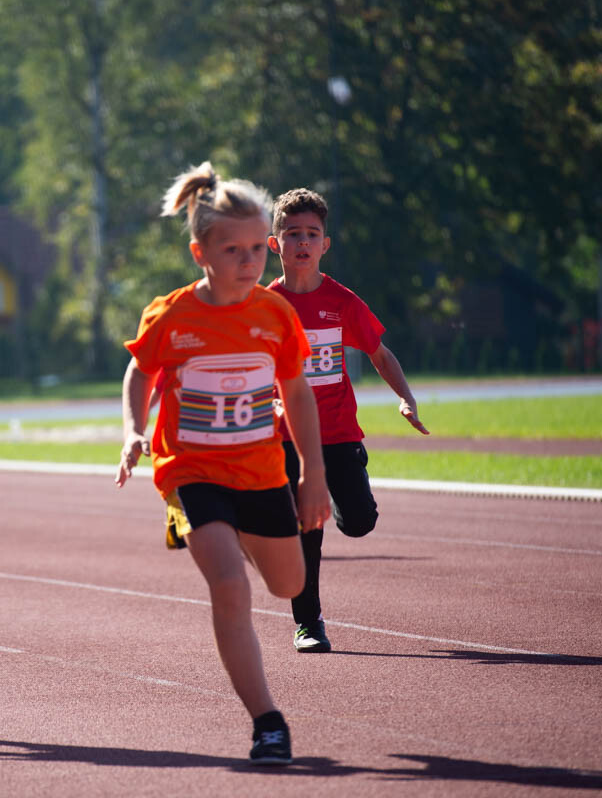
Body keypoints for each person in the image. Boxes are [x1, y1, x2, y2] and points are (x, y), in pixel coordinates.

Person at [116, 162, 330, 765]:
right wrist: (135, 429)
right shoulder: (174, 316)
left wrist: (312, 474)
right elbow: (141, 370)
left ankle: (224, 529)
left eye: (255, 248)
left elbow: (298, 395)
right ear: (200, 252)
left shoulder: (275, 315)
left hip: (262, 471)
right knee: (230, 586)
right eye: (229, 249)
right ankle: (268, 722)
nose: (247, 261)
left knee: (289, 584)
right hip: (191, 469)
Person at [267, 187, 428, 653]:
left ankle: (340, 505)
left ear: (325, 244)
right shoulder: (265, 306)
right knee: (306, 532)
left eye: (311, 234)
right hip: (288, 440)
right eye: (292, 233)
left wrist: (406, 397)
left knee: (359, 522)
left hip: (338, 435)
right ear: (275, 243)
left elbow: (379, 353)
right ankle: (308, 623)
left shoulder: (341, 302)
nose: (302, 241)